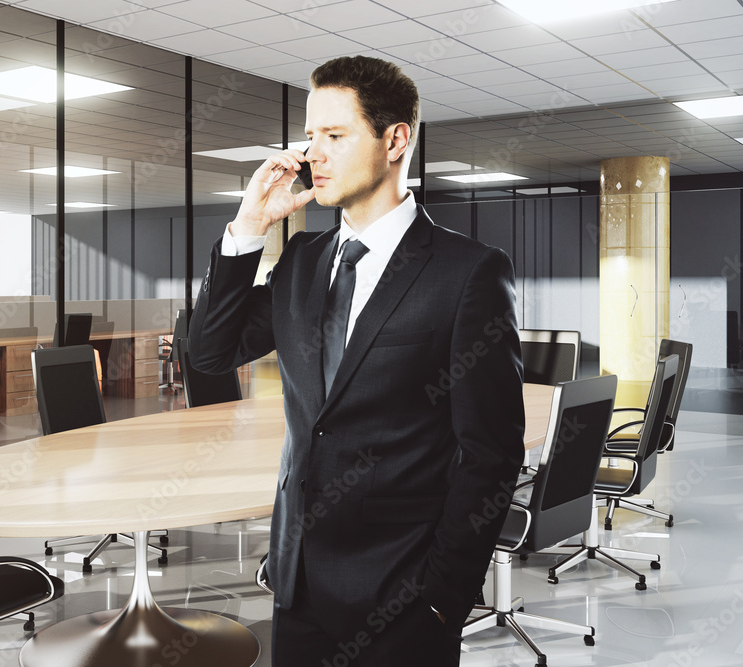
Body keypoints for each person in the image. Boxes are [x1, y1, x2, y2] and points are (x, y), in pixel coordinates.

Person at [188, 55, 525, 666]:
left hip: (405, 598)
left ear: (395, 140)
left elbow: (491, 454)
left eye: (335, 136)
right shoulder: (300, 262)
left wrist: (442, 600)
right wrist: (245, 230)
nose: (313, 154)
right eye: (310, 136)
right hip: (297, 587)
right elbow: (210, 351)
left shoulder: (468, 273)